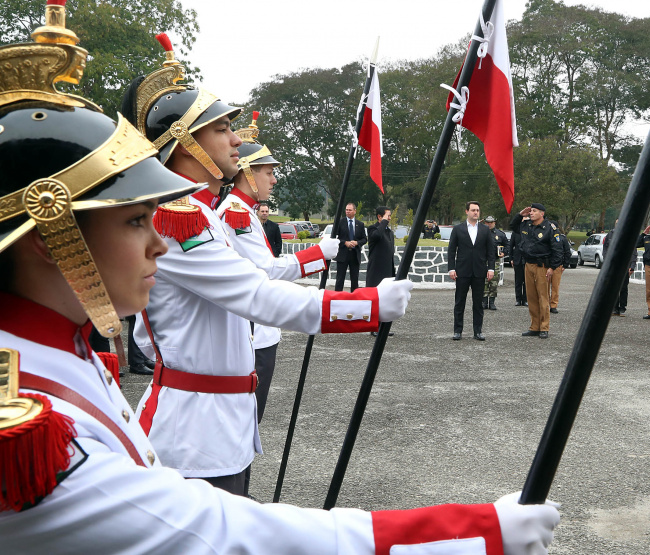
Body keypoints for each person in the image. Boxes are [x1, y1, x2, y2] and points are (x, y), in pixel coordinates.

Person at [0, 12, 559, 550]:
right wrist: (470, 535)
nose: (155, 244)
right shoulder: (27, 424)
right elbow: (223, 534)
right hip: (194, 425)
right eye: (133, 219)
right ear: (51, 241)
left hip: (219, 413)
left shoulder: (56, 348)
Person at [120, 34, 410, 495]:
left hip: (219, 419)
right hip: (193, 431)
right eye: (220, 130)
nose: (236, 140)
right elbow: (255, 291)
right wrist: (366, 305)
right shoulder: (174, 218)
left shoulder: (198, 212)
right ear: (182, 143)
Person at [216, 112, 337, 425]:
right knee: (247, 422)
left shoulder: (244, 210)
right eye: (268, 172)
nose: (274, 179)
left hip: (258, 331)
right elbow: (266, 271)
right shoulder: (236, 214)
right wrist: (318, 253)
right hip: (254, 332)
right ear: (248, 173)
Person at [510, 204, 562, 338]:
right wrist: (520, 214)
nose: (531, 213)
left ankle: (544, 327)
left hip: (542, 266)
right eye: (531, 211)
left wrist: (552, 267)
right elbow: (513, 226)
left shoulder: (550, 228)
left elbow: (557, 249)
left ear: (542, 214)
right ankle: (535, 326)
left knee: (543, 297)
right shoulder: (526, 225)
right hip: (528, 265)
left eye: (534, 211)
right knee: (531, 297)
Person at [448, 202, 496, 340]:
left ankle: (478, 331)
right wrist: (451, 268)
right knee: (459, 302)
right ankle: (457, 331)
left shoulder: (485, 230)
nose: (476, 212)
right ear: (467, 211)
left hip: (479, 271)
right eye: (473, 210)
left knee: (478, 303)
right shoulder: (458, 229)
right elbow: (451, 250)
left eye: (478, 210)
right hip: (462, 271)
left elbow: (490, 251)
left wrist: (491, 268)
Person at [366, 206, 397, 337]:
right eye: (387, 216)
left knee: (387, 300)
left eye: (389, 216)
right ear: (380, 217)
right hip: (376, 270)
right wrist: (383, 222)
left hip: (387, 270)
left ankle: (384, 327)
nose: (389, 218)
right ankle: (374, 327)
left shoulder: (389, 232)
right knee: (375, 300)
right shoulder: (372, 229)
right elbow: (377, 236)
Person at [604, 219, 638, 316]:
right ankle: (614, 308)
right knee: (613, 288)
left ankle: (622, 308)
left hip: (625, 266)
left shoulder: (629, 235)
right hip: (613, 265)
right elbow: (605, 248)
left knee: (623, 288)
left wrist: (632, 266)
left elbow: (633, 252)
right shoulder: (610, 235)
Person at [334, 202, 367, 291]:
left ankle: (354, 298)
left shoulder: (360, 224)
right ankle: (337, 297)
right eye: (346, 210)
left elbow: (364, 239)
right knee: (340, 279)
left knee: (354, 279)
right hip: (342, 254)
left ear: (355, 211)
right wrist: (344, 242)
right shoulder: (340, 222)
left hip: (354, 255)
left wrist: (357, 243)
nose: (347, 212)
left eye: (350, 210)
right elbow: (334, 238)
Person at [483, 215, 509, 310]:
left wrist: (504, 252)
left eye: (491, 222)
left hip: (495, 260)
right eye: (487, 222)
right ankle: (484, 301)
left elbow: (507, 245)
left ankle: (492, 302)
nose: (489, 224)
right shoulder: (480, 232)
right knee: (483, 281)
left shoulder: (500, 234)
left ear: (495, 223)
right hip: (483, 261)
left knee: (494, 281)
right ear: (484, 223)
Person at [549, 225, 573, 314]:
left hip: (557, 266)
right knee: (544, 287)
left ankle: (553, 305)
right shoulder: (545, 237)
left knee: (555, 287)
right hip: (546, 265)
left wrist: (565, 265)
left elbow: (567, 252)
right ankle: (544, 304)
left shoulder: (561, 238)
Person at [510, 222, 527, 306]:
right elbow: (511, 246)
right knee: (518, 281)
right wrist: (511, 258)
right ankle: (518, 299)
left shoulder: (529, 231)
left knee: (527, 281)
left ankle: (525, 299)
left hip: (527, 259)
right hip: (517, 259)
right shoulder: (515, 233)